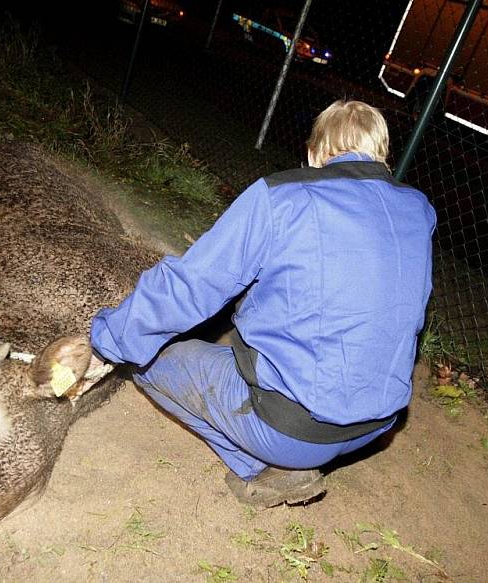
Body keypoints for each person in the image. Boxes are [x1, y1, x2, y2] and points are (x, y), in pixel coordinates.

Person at [90, 100, 436, 508]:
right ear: (381, 156)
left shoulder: (281, 197)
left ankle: (263, 470)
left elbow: (192, 285)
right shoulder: (418, 209)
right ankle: (289, 452)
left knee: (150, 362)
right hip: (373, 425)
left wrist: (108, 342)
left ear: (313, 154)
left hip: (293, 433)